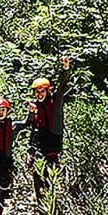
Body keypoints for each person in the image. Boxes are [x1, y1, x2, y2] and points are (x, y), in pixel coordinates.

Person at [28, 55, 70, 203]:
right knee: (37, 176)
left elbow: (62, 85)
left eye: (42, 92)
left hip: (53, 144)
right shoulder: (35, 107)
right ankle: (41, 205)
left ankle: (51, 205)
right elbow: (34, 129)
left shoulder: (55, 101)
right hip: (41, 145)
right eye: (37, 92)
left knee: (50, 178)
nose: (39, 95)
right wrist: (30, 152)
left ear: (47, 91)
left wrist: (65, 69)